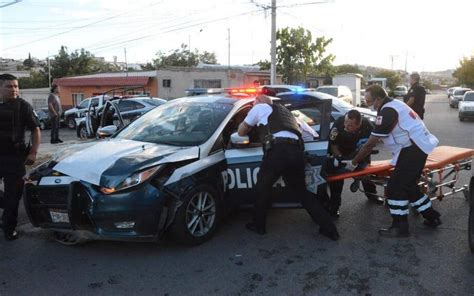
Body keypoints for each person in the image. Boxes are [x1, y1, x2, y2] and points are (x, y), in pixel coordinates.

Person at [237, 94, 339, 240]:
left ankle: (258, 226)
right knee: (303, 194)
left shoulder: (259, 107)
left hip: (278, 152)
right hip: (297, 153)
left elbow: (242, 131)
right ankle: (330, 229)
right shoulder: (288, 114)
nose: (253, 105)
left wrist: (246, 123)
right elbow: (309, 135)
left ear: (258, 101)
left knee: (262, 187)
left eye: (253, 103)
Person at [345, 85, 441, 238]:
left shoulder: (387, 110)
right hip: (417, 147)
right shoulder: (395, 105)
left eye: (370, 101)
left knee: (395, 187)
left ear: (379, 98)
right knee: (408, 186)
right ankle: (432, 216)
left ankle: (400, 227)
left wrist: (354, 162)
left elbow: (370, 144)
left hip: (413, 149)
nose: (368, 104)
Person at [0, 74, 41, 241]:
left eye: (16, 86)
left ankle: (8, 227)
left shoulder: (23, 106)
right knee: (9, 199)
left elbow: (36, 129)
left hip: (14, 159)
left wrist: (33, 152)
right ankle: (6, 207)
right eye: (9, 86)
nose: (14, 89)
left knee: (14, 195)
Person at [325, 109, 378, 218]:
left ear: (358, 124)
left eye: (350, 125)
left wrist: (355, 162)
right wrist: (340, 158)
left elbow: (369, 147)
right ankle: (334, 207)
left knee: (365, 173)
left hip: (359, 153)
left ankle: (372, 195)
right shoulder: (338, 123)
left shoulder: (367, 126)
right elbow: (333, 144)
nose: (345, 126)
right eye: (345, 123)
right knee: (337, 179)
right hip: (341, 153)